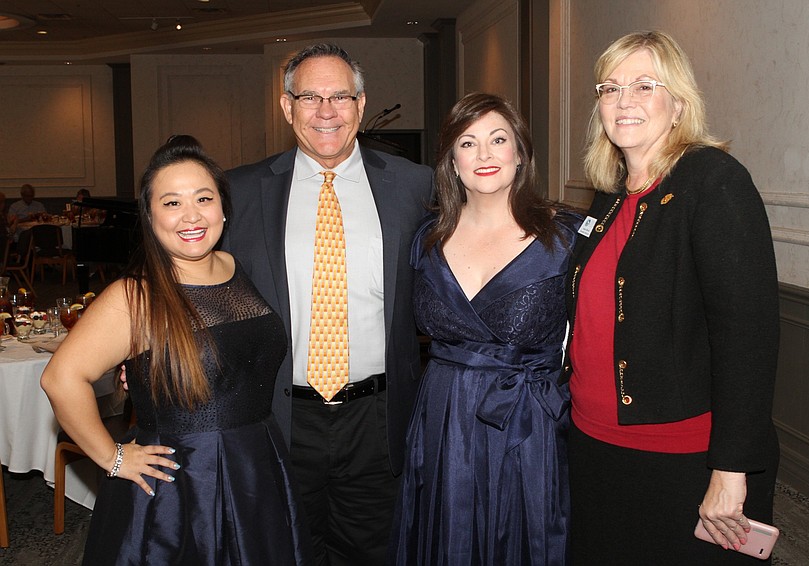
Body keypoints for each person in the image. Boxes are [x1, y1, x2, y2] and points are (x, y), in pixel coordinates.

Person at [41, 135, 311, 565]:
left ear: (223, 207)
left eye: (204, 198)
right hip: (181, 484)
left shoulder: (237, 267)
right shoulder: (136, 296)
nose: (191, 215)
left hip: (257, 463)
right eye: (172, 203)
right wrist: (112, 458)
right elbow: (60, 378)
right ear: (150, 217)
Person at [565, 30, 780, 564]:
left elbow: (748, 339)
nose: (624, 101)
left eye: (644, 85)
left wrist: (731, 470)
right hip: (594, 444)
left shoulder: (713, 181)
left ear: (679, 103)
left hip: (680, 456)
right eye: (610, 88)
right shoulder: (610, 194)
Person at [222, 44, 433, 565]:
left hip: (378, 419)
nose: (326, 111)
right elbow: (196, 281)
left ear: (361, 105)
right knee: (282, 550)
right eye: (309, 97)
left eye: (340, 96)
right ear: (286, 106)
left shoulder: (414, 185)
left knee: (374, 552)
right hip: (277, 415)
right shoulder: (240, 191)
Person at [389, 92, 582, 564]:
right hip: (443, 417)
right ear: (452, 163)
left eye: (498, 139)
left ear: (520, 152)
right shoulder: (425, 238)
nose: (485, 154)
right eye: (468, 143)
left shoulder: (566, 237)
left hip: (528, 422)